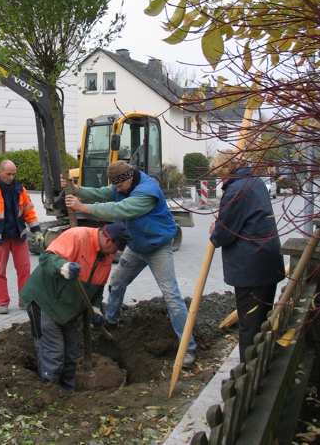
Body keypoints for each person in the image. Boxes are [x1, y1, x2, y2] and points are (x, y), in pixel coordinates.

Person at [61, 160, 197, 366]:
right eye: (114, 185)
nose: (116, 189)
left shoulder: (147, 190)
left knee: (171, 295)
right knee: (116, 282)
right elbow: (104, 193)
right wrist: (79, 189)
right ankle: (112, 321)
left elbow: (120, 210)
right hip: (135, 246)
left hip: (157, 246)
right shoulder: (121, 184)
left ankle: (188, 347)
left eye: (119, 185)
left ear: (130, 178)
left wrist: (82, 207)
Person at [19, 222, 132, 391]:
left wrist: (95, 310)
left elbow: (97, 290)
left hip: (67, 312)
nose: (114, 254)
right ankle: (50, 395)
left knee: (71, 355)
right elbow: (47, 258)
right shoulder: (77, 236)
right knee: (53, 354)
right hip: (44, 302)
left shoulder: (106, 259)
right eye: (115, 249)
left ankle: (67, 395)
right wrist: (63, 267)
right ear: (108, 240)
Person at [208, 150, 285, 364]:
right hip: (266, 261)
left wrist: (216, 229)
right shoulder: (255, 181)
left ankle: (247, 376)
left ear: (225, 169)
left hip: (250, 267)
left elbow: (224, 233)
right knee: (261, 321)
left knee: (249, 325)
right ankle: (260, 366)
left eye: (219, 173)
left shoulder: (236, 189)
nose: (219, 178)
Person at [0, 159, 44, 314]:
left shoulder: (20, 191)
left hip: (19, 237)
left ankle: (24, 299)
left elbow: (29, 212)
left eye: (13, 174)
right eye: (8, 174)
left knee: (24, 269)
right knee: (0, 272)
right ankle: (2, 302)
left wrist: (36, 230)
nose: (11, 177)